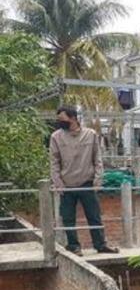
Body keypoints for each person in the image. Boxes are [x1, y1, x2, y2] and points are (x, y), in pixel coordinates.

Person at [50, 106, 118, 256]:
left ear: (73, 118)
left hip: (87, 183)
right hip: (66, 185)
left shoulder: (90, 134)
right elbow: (54, 162)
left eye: (62, 119)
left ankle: (100, 245)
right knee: (68, 218)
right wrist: (58, 183)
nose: (60, 122)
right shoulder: (56, 137)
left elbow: (97, 159)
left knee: (94, 216)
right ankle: (74, 246)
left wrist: (97, 180)